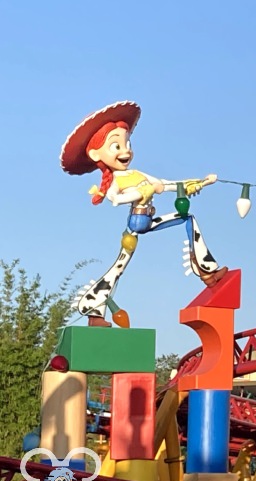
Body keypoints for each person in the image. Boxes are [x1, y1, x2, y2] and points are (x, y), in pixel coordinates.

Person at [60, 101, 227, 324]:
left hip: (147, 220)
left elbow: (167, 184)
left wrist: (201, 182)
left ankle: (207, 271)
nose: (126, 150)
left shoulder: (137, 174)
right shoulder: (116, 181)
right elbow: (116, 199)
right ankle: (94, 309)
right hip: (136, 223)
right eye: (116, 146)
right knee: (118, 268)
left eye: (127, 143)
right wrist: (143, 191)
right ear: (95, 154)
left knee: (187, 219)